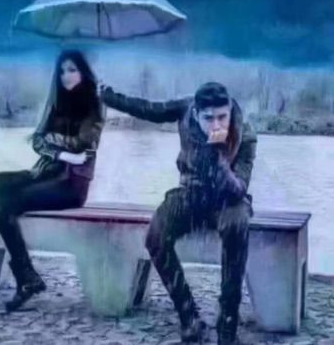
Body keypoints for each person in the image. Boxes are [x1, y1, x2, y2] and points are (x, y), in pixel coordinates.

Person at [99, 81, 257, 345]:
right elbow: (148, 109)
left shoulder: (245, 134)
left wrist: (217, 156)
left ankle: (228, 321)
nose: (217, 125)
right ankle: (188, 314)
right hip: (191, 192)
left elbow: (239, 188)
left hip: (228, 199)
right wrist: (109, 97)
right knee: (155, 236)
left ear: (230, 110)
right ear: (196, 113)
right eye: (209, 118)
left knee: (237, 224)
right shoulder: (185, 109)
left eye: (222, 117)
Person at [0, 50, 105, 312]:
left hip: (71, 185)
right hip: (47, 173)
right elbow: (37, 141)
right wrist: (61, 152)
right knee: (0, 180)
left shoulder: (94, 104)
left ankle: (26, 277)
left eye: (72, 70)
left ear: (83, 72)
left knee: (7, 202)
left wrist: (53, 142)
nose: (66, 76)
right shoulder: (57, 102)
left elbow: (83, 144)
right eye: (62, 71)